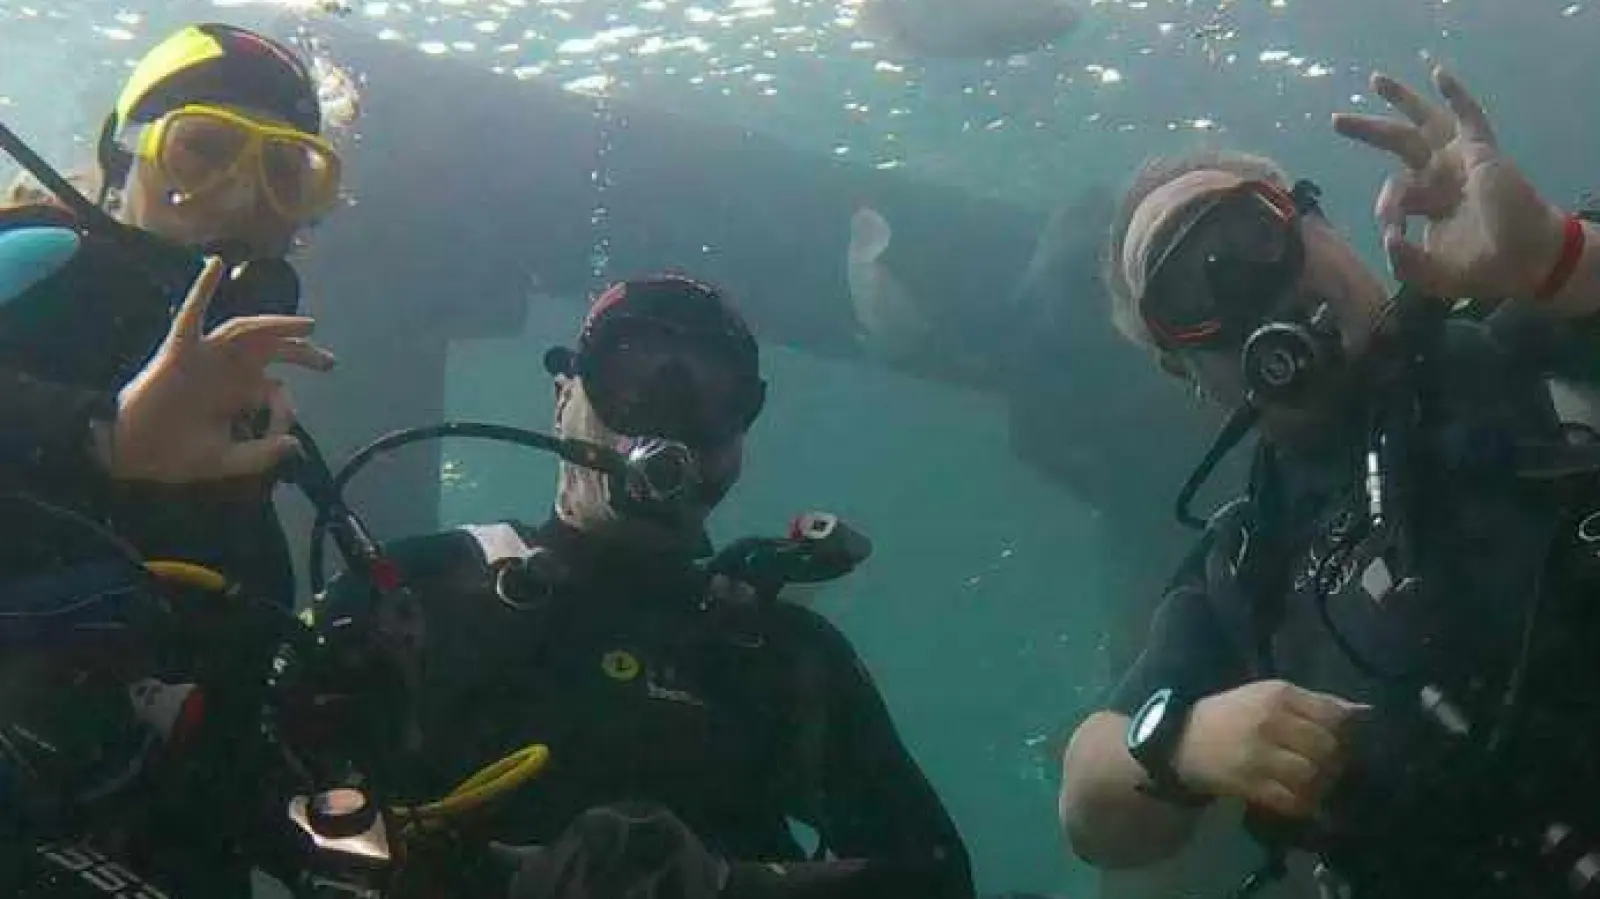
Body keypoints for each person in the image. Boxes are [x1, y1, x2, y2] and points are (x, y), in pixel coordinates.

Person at [1056, 67, 1600, 899]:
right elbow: (1090, 805)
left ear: (1320, 225)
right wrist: (1182, 741)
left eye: (1249, 235)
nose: (1246, 287)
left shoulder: (1536, 332)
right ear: (1186, 368)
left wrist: (1557, 258)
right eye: (1189, 289)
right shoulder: (1246, 567)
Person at [310, 273, 976, 899]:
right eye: (632, 370)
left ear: (742, 428)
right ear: (564, 394)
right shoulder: (422, 585)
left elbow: (935, 876)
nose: (672, 409)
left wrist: (722, 886)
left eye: (714, 388)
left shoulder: (783, 652)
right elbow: (256, 791)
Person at [0, 21, 343, 606]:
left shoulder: (241, 386)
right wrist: (106, 437)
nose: (240, 197)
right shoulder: (43, 261)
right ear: (120, 156)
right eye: (202, 148)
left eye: (284, 173)